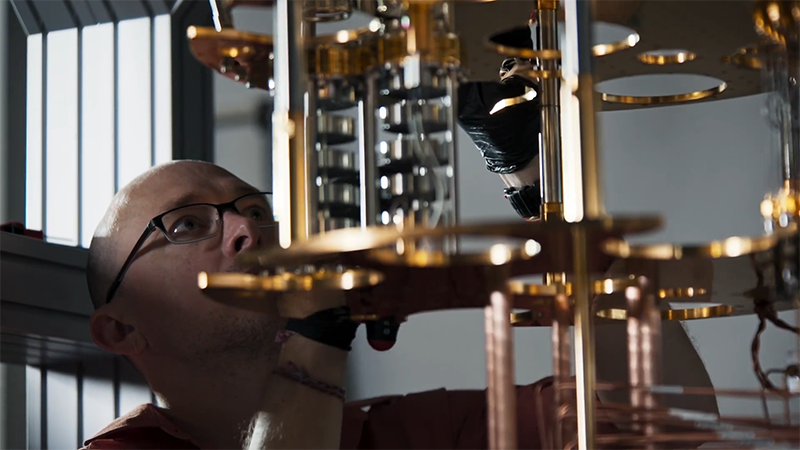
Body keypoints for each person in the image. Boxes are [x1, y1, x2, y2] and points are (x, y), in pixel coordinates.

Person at [80, 56, 716, 450]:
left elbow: (666, 420)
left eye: (257, 212)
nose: (247, 231)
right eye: (188, 225)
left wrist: (542, 202)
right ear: (120, 328)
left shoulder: (387, 432)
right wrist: (317, 334)